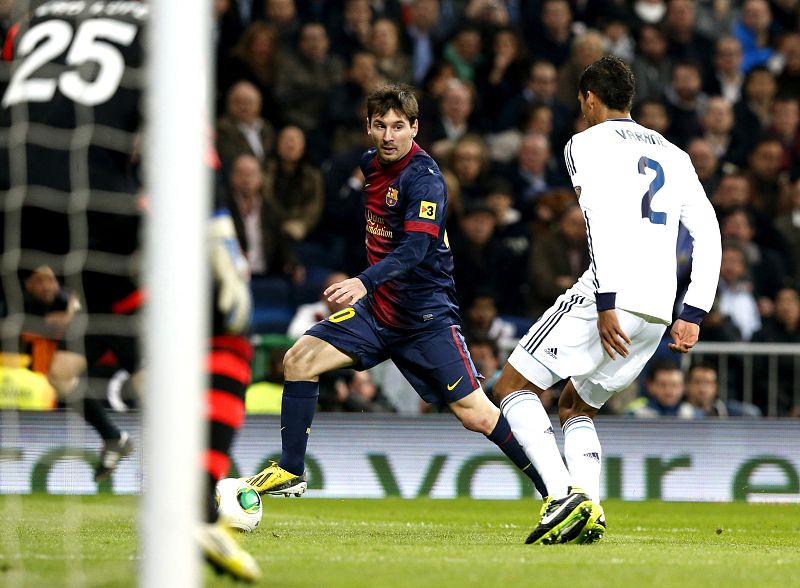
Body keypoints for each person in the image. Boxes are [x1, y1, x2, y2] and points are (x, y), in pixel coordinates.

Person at [0, 4, 258, 581]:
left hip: (12, 192)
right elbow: (187, 130)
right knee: (228, 330)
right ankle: (196, 501)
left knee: (125, 324)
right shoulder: (163, 21)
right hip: (96, 200)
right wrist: (216, 220)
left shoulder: (33, 17)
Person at [243, 83, 547, 501]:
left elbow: (416, 248)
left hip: (425, 319)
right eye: (380, 125)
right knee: (298, 359)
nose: (389, 135)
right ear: (368, 128)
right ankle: (291, 470)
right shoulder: (369, 166)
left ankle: (555, 488)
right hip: (378, 313)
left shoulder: (426, 180)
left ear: (415, 128)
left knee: (476, 414)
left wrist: (363, 280)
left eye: (398, 126)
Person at [491, 56, 722, 545]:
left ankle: (560, 495)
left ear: (589, 99)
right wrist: (694, 310)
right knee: (577, 404)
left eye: (582, 102)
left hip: (612, 295)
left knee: (512, 385)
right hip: (659, 310)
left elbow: (598, 217)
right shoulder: (674, 153)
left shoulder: (584, 143)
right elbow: (709, 231)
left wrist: (605, 300)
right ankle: (589, 507)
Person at [624, 360, 702, 418]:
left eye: (674, 385)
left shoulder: (695, 415)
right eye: (662, 385)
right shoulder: (635, 415)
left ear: (683, 387)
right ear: (650, 386)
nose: (668, 391)